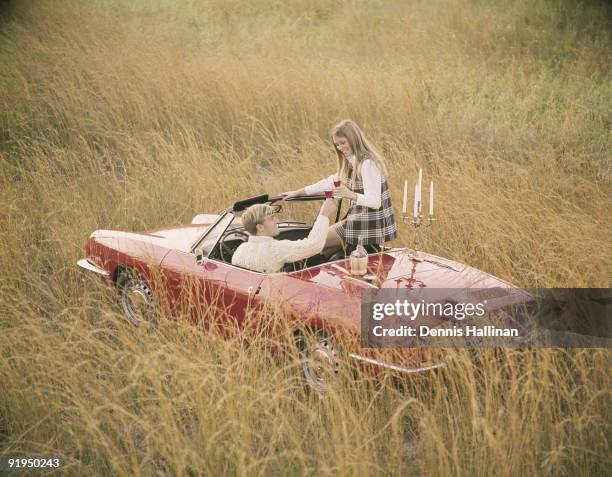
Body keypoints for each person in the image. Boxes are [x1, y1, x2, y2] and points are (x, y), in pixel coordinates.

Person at [283, 119, 397, 257]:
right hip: (357, 221)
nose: (340, 148)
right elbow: (328, 182)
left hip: (367, 226)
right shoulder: (352, 163)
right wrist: (297, 192)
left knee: (314, 243)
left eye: (343, 142)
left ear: (353, 138)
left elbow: (375, 201)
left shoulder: (367, 164)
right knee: (322, 251)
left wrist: (350, 194)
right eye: (337, 145)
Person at [232, 199, 336, 273]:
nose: (276, 221)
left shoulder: (240, 250)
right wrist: (324, 214)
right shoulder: (275, 249)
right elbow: (313, 245)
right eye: (271, 218)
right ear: (260, 227)